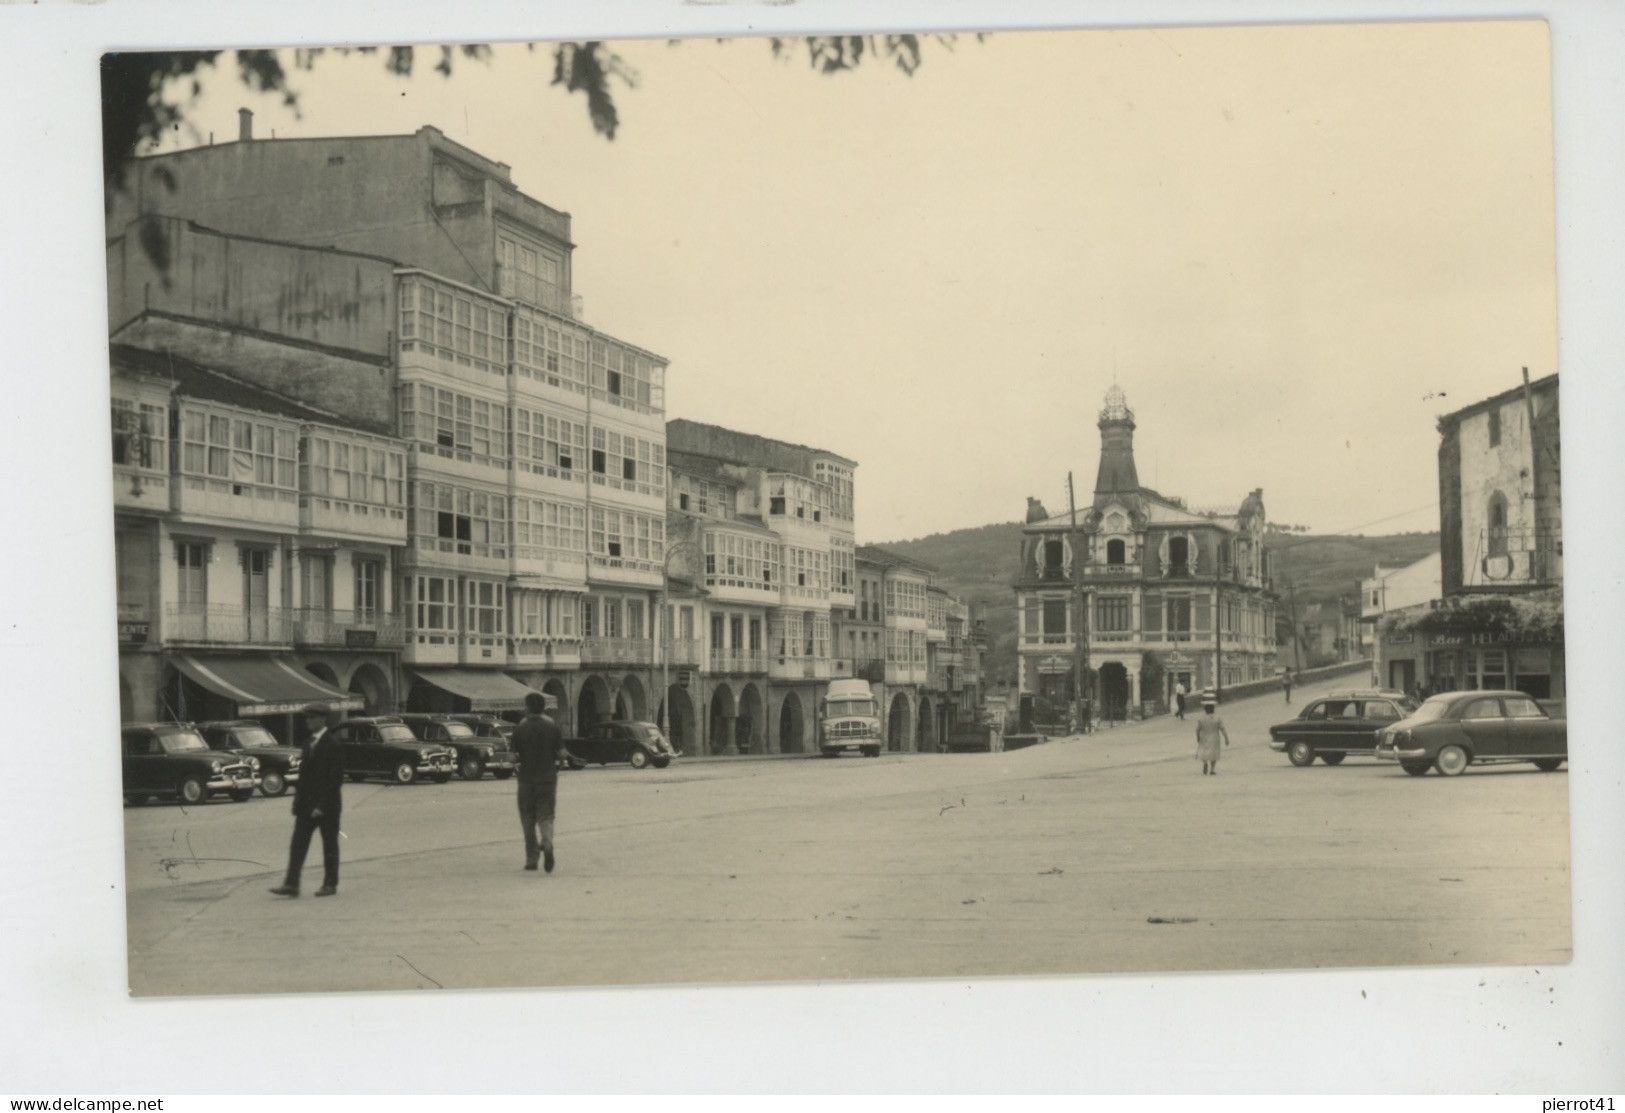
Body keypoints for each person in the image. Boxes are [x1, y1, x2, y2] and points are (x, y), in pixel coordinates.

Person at [271, 703, 344, 897]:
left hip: (327, 808)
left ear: (322, 720)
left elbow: (334, 781)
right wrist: (297, 803)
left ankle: (330, 884)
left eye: (312, 718)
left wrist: (322, 806)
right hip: (306, 806)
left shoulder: (333, 745)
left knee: (329, 846)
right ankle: (292, 884)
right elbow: (303, 778)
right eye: (307, 718)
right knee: (297, 845)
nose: (308, 721)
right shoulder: (307, 744)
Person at [511, 691, 565, 872]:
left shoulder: (521, 728)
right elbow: (562, 754)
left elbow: (512, 758)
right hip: (548, 779)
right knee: (546, 815)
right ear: (543, 708)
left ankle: (532, 858)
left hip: (526, 780)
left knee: (528, 819)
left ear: (528, 707)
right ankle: (547, 841)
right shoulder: (553, 727)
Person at [1195, 698, 1229, 775]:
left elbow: (1197, 729)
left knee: (1203, 752)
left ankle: (1205, 762)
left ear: (1205, 710)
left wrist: (1198, 737)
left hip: (1204, 736)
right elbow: (1222, 729)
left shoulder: (1201, 718)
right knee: (1214, 753)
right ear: (1213, 709)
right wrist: (1226, 738)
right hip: (1214, 737)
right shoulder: (1217, 718)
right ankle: (1212, 770)